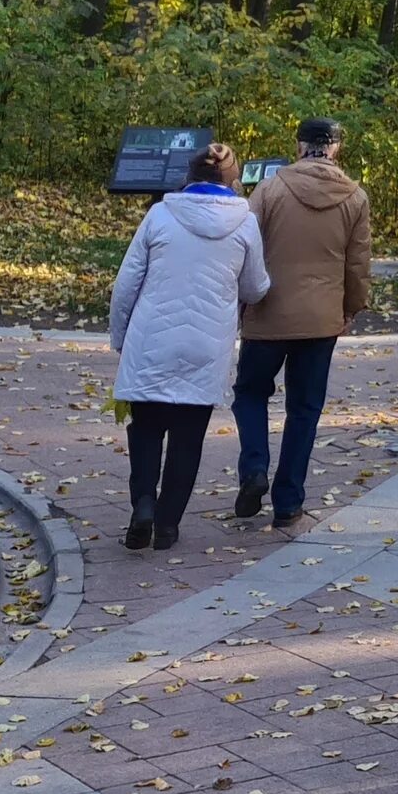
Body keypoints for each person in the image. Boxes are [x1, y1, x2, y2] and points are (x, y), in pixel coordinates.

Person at [106, 142, 268, 550]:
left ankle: (143, 503)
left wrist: (121, 338)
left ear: (190, 176)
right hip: (206, 344)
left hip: (151, 339)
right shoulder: (246, 223)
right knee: (188, 438)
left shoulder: (160, 214)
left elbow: (126, 284)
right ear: (232, 181)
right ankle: (169, 524)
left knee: (144, 429)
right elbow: (254, 286)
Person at [235, 116, 372, 527]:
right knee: (305, 409)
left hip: (268, 314)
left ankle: (255, 467)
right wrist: (350, 308)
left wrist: (243, 300)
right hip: (321, 319)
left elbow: (247, 246)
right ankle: (289, 501)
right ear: (336, 148)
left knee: (250, 393)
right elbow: (358, 264)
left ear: (299, 146)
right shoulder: (355, 197)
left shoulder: (270, 189)